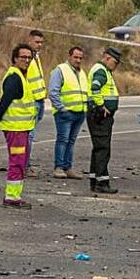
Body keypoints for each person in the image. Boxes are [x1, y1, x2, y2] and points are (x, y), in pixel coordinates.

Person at [0, 43, 38, 209]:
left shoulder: (21, 76)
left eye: (29, 57)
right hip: (15, 129)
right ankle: (12, 198)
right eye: (23, 57)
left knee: (20, 162)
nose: (27, 60)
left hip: (21, 128)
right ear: (15, 58)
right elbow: (5, 101)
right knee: (17, 162)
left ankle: (14, 196)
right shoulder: (14, 77)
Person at [48, 45, 89, 180]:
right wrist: (61, 108)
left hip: (79, 113)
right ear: (69, 57)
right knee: (63, 140)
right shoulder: (60, 70)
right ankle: (59, 167)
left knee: (71, 141)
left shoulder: (82, 73)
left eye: (80, 58)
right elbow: (53, 92)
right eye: (76, 57)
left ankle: (68, 167)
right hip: (65, 113)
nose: (78, 60)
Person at [87, 46, 122, 194]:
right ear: (107, 58)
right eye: (115, 62)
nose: (116, 66)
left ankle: (95, 179)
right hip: (101, 116)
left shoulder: (102, 70)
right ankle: (102, 182)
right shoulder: (101, 71)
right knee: (103, 148)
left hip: (99, 115)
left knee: (98, 148)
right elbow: (95, 88)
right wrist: (101, 106)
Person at [24, 29, 48, 176]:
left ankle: (26, 164)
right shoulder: (26, 58)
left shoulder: (36, 57)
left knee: (31, 134)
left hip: (39, 99)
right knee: (29, 135)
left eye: (41, 42)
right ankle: (25, 165)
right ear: (30, 40)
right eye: (37, 42)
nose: (39, 45)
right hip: (31, 100)